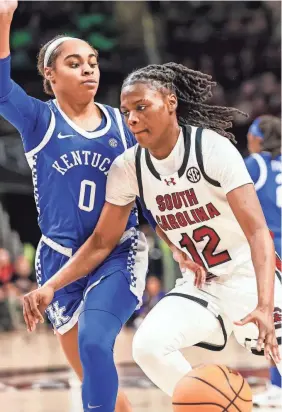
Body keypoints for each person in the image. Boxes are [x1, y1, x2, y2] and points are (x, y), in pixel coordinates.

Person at [23, 63, 281, 399]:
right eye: (127, 111)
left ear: (171, 102)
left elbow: (259, 232)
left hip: (248, 276)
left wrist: (264, 304)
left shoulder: (211, 149)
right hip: (202, 285)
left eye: (142, 107)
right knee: (148, 346)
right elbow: (103, 241)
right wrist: (51, 287)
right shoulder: (128, 168)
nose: (132, 119)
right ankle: (216, 404)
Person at [0, 1, 151, 411]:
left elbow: (152, 190)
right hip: (59, 260)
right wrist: (4, 17)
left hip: (117, 252)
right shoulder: (39, 121)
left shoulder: (125, 124)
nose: (88, 69)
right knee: (93, 374)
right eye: (74, 62)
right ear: (49, 75)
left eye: (93, 61)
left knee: (94, 340)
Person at [245, 115, 282, 408]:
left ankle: (278, 387)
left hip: (274, 251)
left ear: (258, 138)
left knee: (276, 320)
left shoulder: (256, 164)